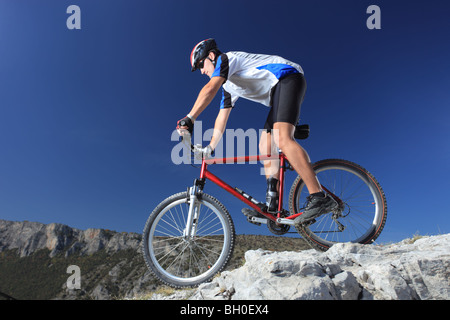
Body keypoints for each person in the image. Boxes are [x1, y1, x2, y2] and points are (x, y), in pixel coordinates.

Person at [176, 38, 337, 226]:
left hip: (288, 78)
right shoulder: (228, 87)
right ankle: (273, 207)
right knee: (265, 146)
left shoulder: (226, 60)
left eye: (201, 65)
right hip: (278, 93)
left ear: (211, 56)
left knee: (282, 138)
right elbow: (222, 118)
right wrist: (211, 147)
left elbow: (210, 89)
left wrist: (190, 118)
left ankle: (318, 196)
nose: (202, 71)